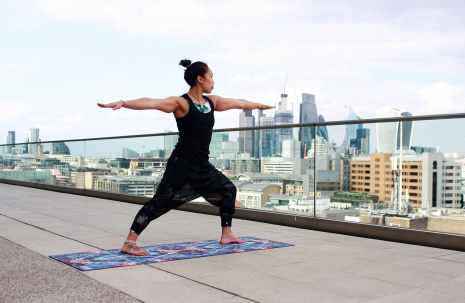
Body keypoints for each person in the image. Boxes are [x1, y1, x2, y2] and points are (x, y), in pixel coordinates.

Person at [97, 59, 274, 256]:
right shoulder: (181, 103)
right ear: (200, 79)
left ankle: (227, 233)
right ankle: (130, 243)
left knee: (229, 189)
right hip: (180, 165)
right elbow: (152, 102)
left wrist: (258, 105)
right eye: (211, 76)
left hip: (201, 165)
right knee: (159, 203)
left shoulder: (212, 102)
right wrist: (124, 103)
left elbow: (238, 103)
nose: (213, 81)